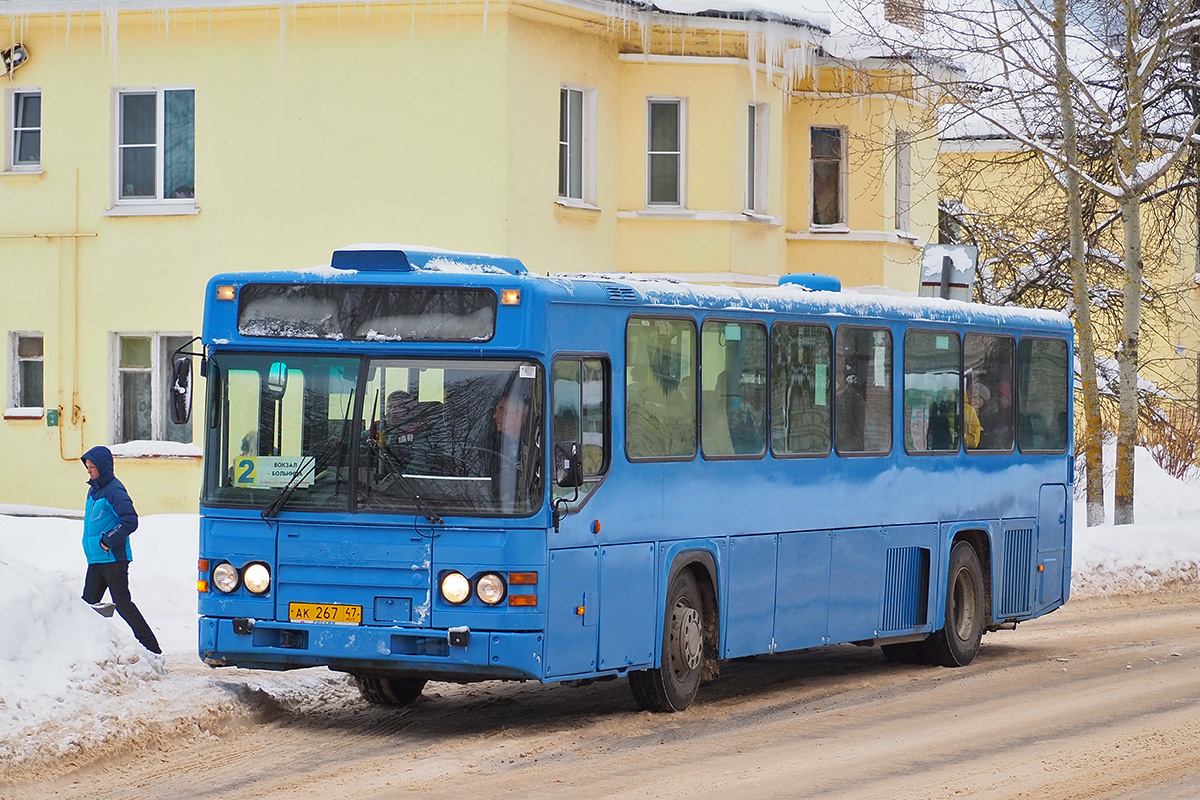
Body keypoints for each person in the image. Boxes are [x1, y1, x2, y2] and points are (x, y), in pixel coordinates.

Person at [80, 445, 161, 654]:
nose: (88, 471)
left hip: (113, 559)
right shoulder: (94, 490)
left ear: (103, 467)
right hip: (97, 560)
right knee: (86, 607)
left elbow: (130, 520)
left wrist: (108, 540)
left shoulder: (114, 490)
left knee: (123, 605)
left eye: (92, 467)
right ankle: (86, 650)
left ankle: (151, 649)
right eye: (87, 467)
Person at [489, 394, 530, 512]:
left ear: (518, 414)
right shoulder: (494, 443)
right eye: (495, 411)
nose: (495, 416)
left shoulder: (536, 444)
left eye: (501, 410)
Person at [964, 383, 988, 450]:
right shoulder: (964, 411)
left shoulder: (987, 417)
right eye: (974, 397)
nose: (976, 401)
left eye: (979, 399)